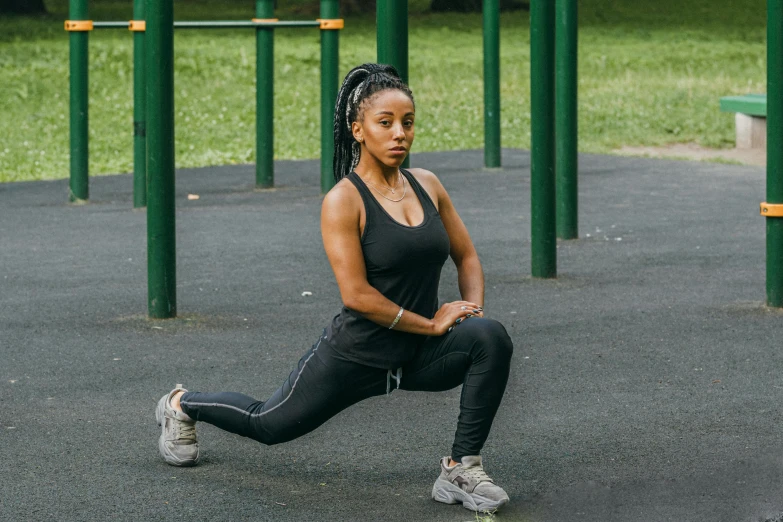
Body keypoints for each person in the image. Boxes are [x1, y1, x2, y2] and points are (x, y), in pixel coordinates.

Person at [155, 63, 514, 513]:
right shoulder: (343, 200)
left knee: (490, 336)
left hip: (419, 354)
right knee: (269, 424)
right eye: (385, 123)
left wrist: (468, 311)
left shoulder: (427, 185)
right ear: (358, 129)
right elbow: (356, 296)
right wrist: (431, 324)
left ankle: (461, 469)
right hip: (359, 354)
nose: (399, 133)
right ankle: (181, 404)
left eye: (407, 122)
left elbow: (467, 256)